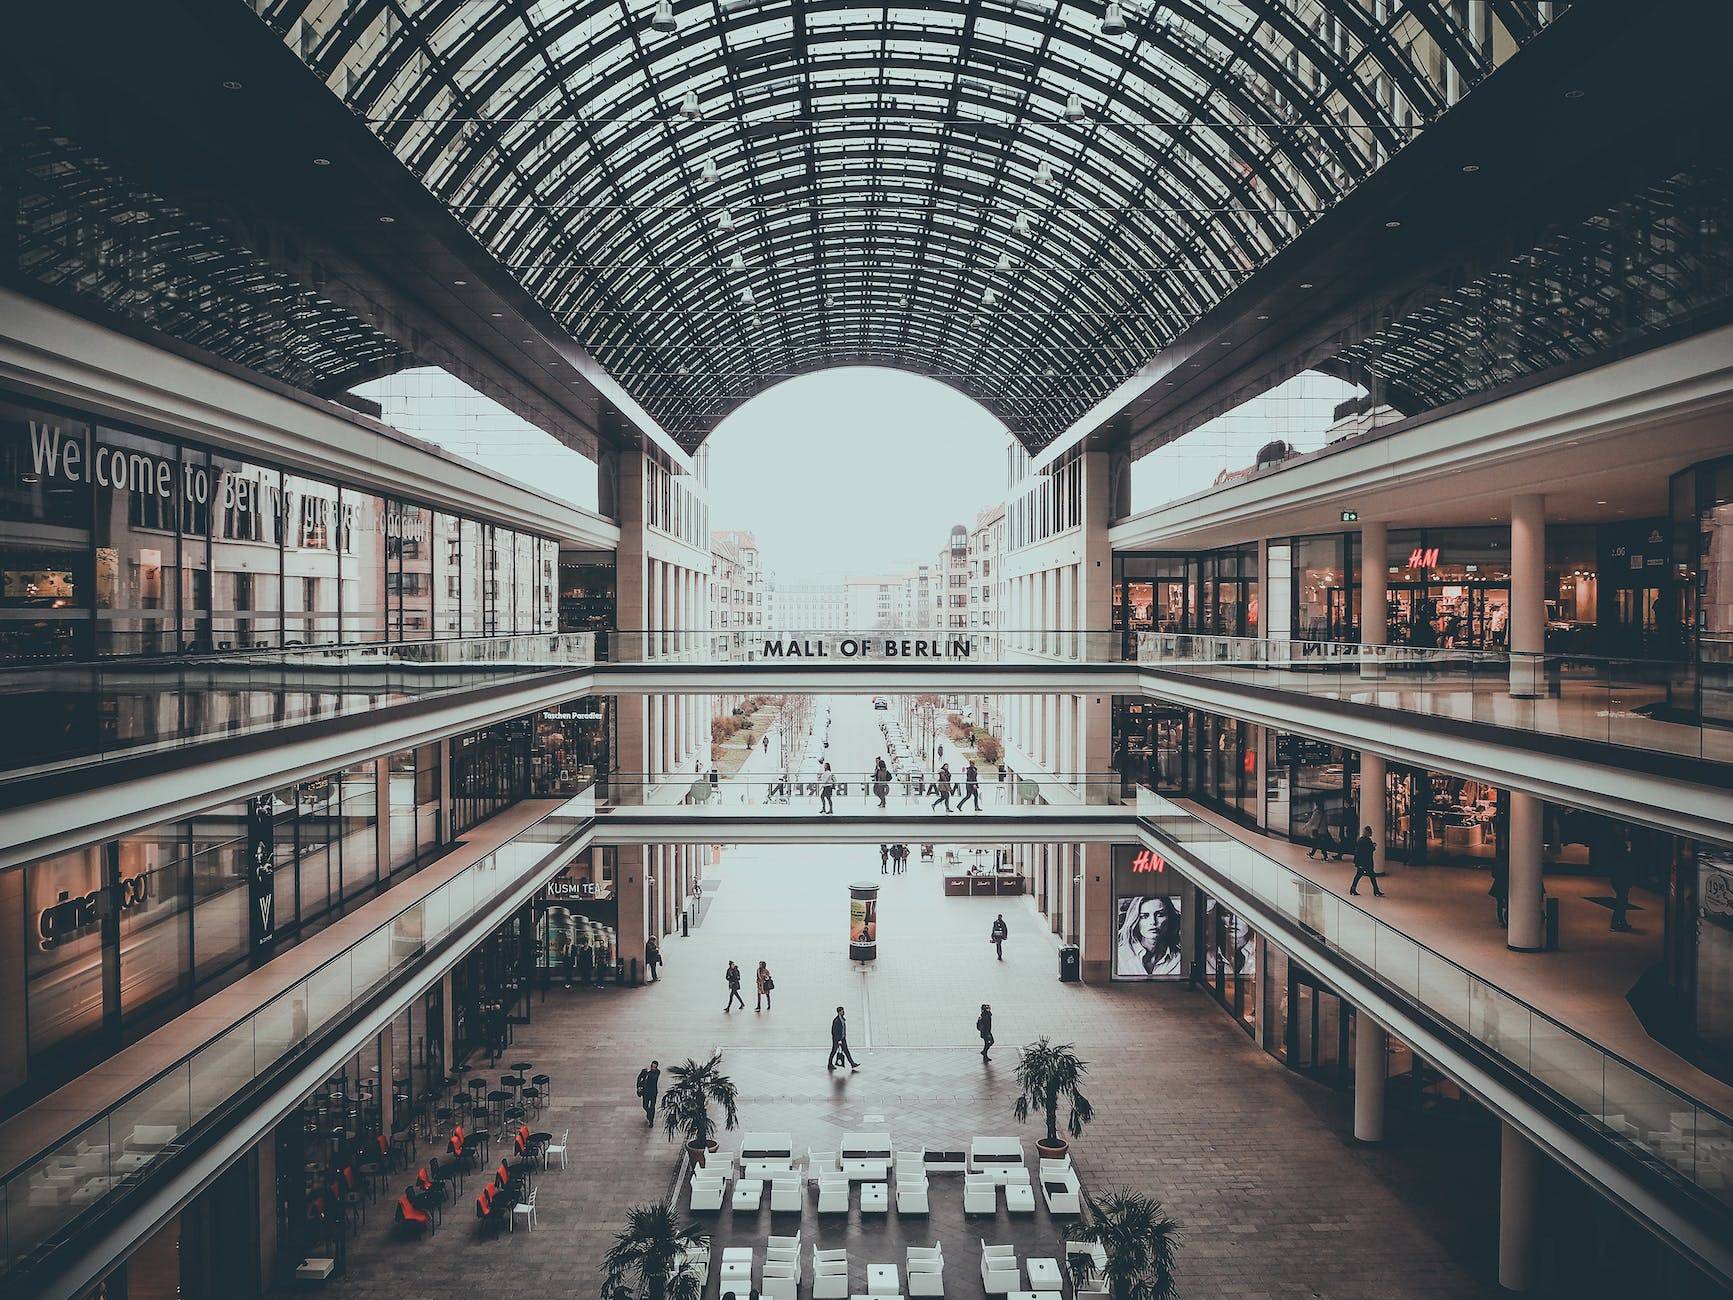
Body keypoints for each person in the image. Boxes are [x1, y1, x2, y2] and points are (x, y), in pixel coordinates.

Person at [1117, 895, 1182, 977]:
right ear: (1136, 920)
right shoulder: (1120, 956)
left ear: (1170, 918)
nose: (1153, 922)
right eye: (1144, 916)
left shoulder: (1179, 958)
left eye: (1160, 914)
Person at [1348, 826, 1384, 897]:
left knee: (1361, 875)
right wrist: (1373, 847)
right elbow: (1368, 850)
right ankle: (1375, 890)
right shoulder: (1366, 841)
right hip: (1366, 862)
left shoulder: (1361, 840)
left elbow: (1359, 852)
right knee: (1369, 876)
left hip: (1363, 862)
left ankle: (1353, 889)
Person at [829, 1005, 860, 1071]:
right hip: (837, 1040)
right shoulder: (836, 1021)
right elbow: (834, 1032)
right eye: (843, 1011)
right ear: (839, 1012)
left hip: (843, 1038)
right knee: (833, 1051)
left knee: (846, 1051)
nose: (844, 1012)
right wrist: (839, 1040)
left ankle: (852, 1064)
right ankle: (830, 1064)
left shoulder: (842, 1018)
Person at [636, 1059, 660, 1125]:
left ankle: (651, 1120)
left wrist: (648, 1072)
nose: (653, 1068)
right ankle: (649, 1114)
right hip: (645, 1092)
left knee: (652, 1106)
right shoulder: (645, 1071)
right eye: (652, 1066)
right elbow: (639, 1078)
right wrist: (638, 1087)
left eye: (654, 1067)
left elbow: (653, 1078)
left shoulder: (657, 1072)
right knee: (645, 1105)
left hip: (653, 1093)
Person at [1488, 859, 1510, 927]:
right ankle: (1505, 919)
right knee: (1506, 903)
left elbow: (1493, 874)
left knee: (1499, 904)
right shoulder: (1509, 863)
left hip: (1498, 885)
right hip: (1506, 885)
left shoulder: (1496, 863)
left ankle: (1501, 920)